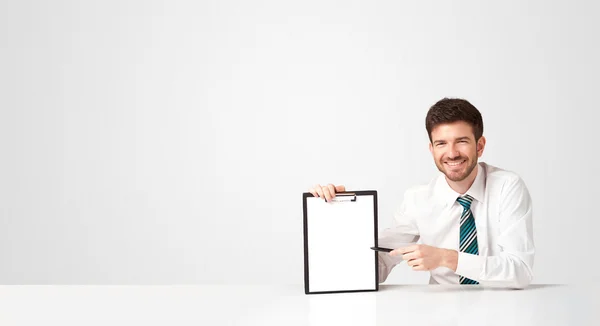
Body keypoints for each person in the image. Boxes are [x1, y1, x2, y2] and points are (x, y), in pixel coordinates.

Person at [309, 98, 534, 288]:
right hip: (442, 315)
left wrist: (446, 258)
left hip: (502, 312)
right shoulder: (417, 199)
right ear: (432, 149)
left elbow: (520, 271)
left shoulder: (507, 187)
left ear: (480, 145)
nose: (452, 153)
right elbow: (378, 264)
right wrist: (336, 215)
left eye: (462, 141)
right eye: (441, 143)